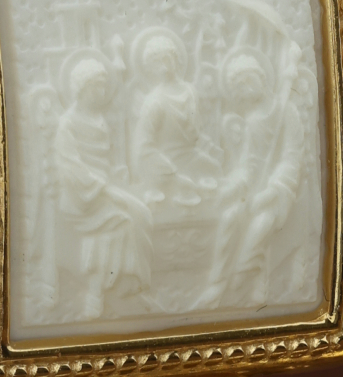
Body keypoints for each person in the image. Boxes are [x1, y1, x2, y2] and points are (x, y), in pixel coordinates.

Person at [202, 47, 310, 311]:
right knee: (230, 217)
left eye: (248, 79)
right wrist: (235, 185)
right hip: (255, 187)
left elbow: (292, 157)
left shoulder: (286, 112)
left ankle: (244, 278)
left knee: (260, 224)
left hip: (283, 189)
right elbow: (248, 164)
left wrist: (273, 190)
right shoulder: (252, 121)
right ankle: (216, 284)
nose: (246, 87)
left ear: (262, 77)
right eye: (239, 85)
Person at [50, 52, 151, 322]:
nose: (102, 92)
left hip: (102, 190)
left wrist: (117, 178)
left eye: (104, 86)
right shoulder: (68, 124)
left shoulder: (99, 119)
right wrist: (106, 189)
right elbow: (71, 168)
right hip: (81, 198)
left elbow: (105, 161)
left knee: (142, 213)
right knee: (124, 221)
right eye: (97, 86)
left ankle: (132, 285)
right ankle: (96, 294)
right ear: (82, 88)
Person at [129, 26, 218, 210]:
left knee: (215, 169)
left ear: (175, 58)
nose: (162, 65)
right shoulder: (154, 101)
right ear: (149, 69)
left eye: (165, 58)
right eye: (155, 62)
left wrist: (209, 146)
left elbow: (197, 132)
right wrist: (172, 175)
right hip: (167, 164)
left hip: (193, 157)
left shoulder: (191, 91)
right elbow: (143, 148)